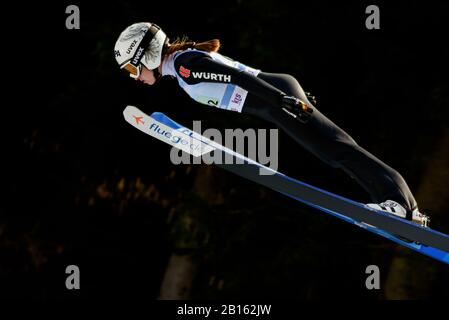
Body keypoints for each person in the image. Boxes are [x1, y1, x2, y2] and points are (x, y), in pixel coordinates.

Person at [114, 22, 429, 226]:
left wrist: (284, 101)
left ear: (147, 55)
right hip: (274, 101)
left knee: (340, 150)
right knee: (336, 153)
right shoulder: (181, 67)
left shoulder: (185, 66)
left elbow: (240, 78)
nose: (135, 77)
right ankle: (401, 210)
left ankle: (400, 205)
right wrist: (282, 99)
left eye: (132, 68)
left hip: (275, 100)